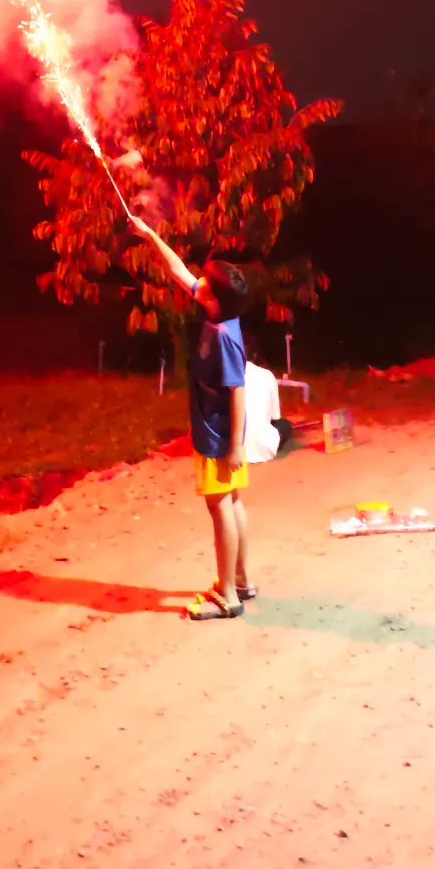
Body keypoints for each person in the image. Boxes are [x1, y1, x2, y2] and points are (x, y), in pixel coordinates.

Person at [131, 217, 252, 620]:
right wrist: (149, 235)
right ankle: (242, 581)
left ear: (213, 299)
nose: (195, 285)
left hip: (219, 435)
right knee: (232, 502)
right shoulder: (220, 314)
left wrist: (233, 447)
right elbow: (176, 270)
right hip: (220, 432)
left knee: (220, 507)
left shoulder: (224, 337)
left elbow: (239, 391)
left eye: (203, 285)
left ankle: (228, 598)